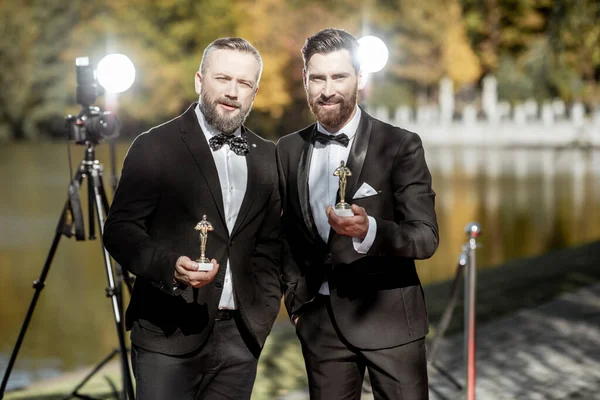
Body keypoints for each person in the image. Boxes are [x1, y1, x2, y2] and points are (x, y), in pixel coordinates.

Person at [103, 37, 282, 400]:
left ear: (255, 91)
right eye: (223, 79)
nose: (232, 92)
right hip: (166, 334)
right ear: (200, 81)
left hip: (241, 339)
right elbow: (120, 231)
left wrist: (263, 311)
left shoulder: (269, 156)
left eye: (244, 83)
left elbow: (272, 243)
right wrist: (170, 266)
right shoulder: (153, 146)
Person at [276, 28, 439, 400]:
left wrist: (371, 230)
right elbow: (284, 234)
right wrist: (297, 302)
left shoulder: (401, 145)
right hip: (320, 326)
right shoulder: (287, 149)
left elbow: (426, 236)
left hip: (391, 324)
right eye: (317, 78)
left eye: (339, 76)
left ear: (360, 79)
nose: (327, 89)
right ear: (305, 80)